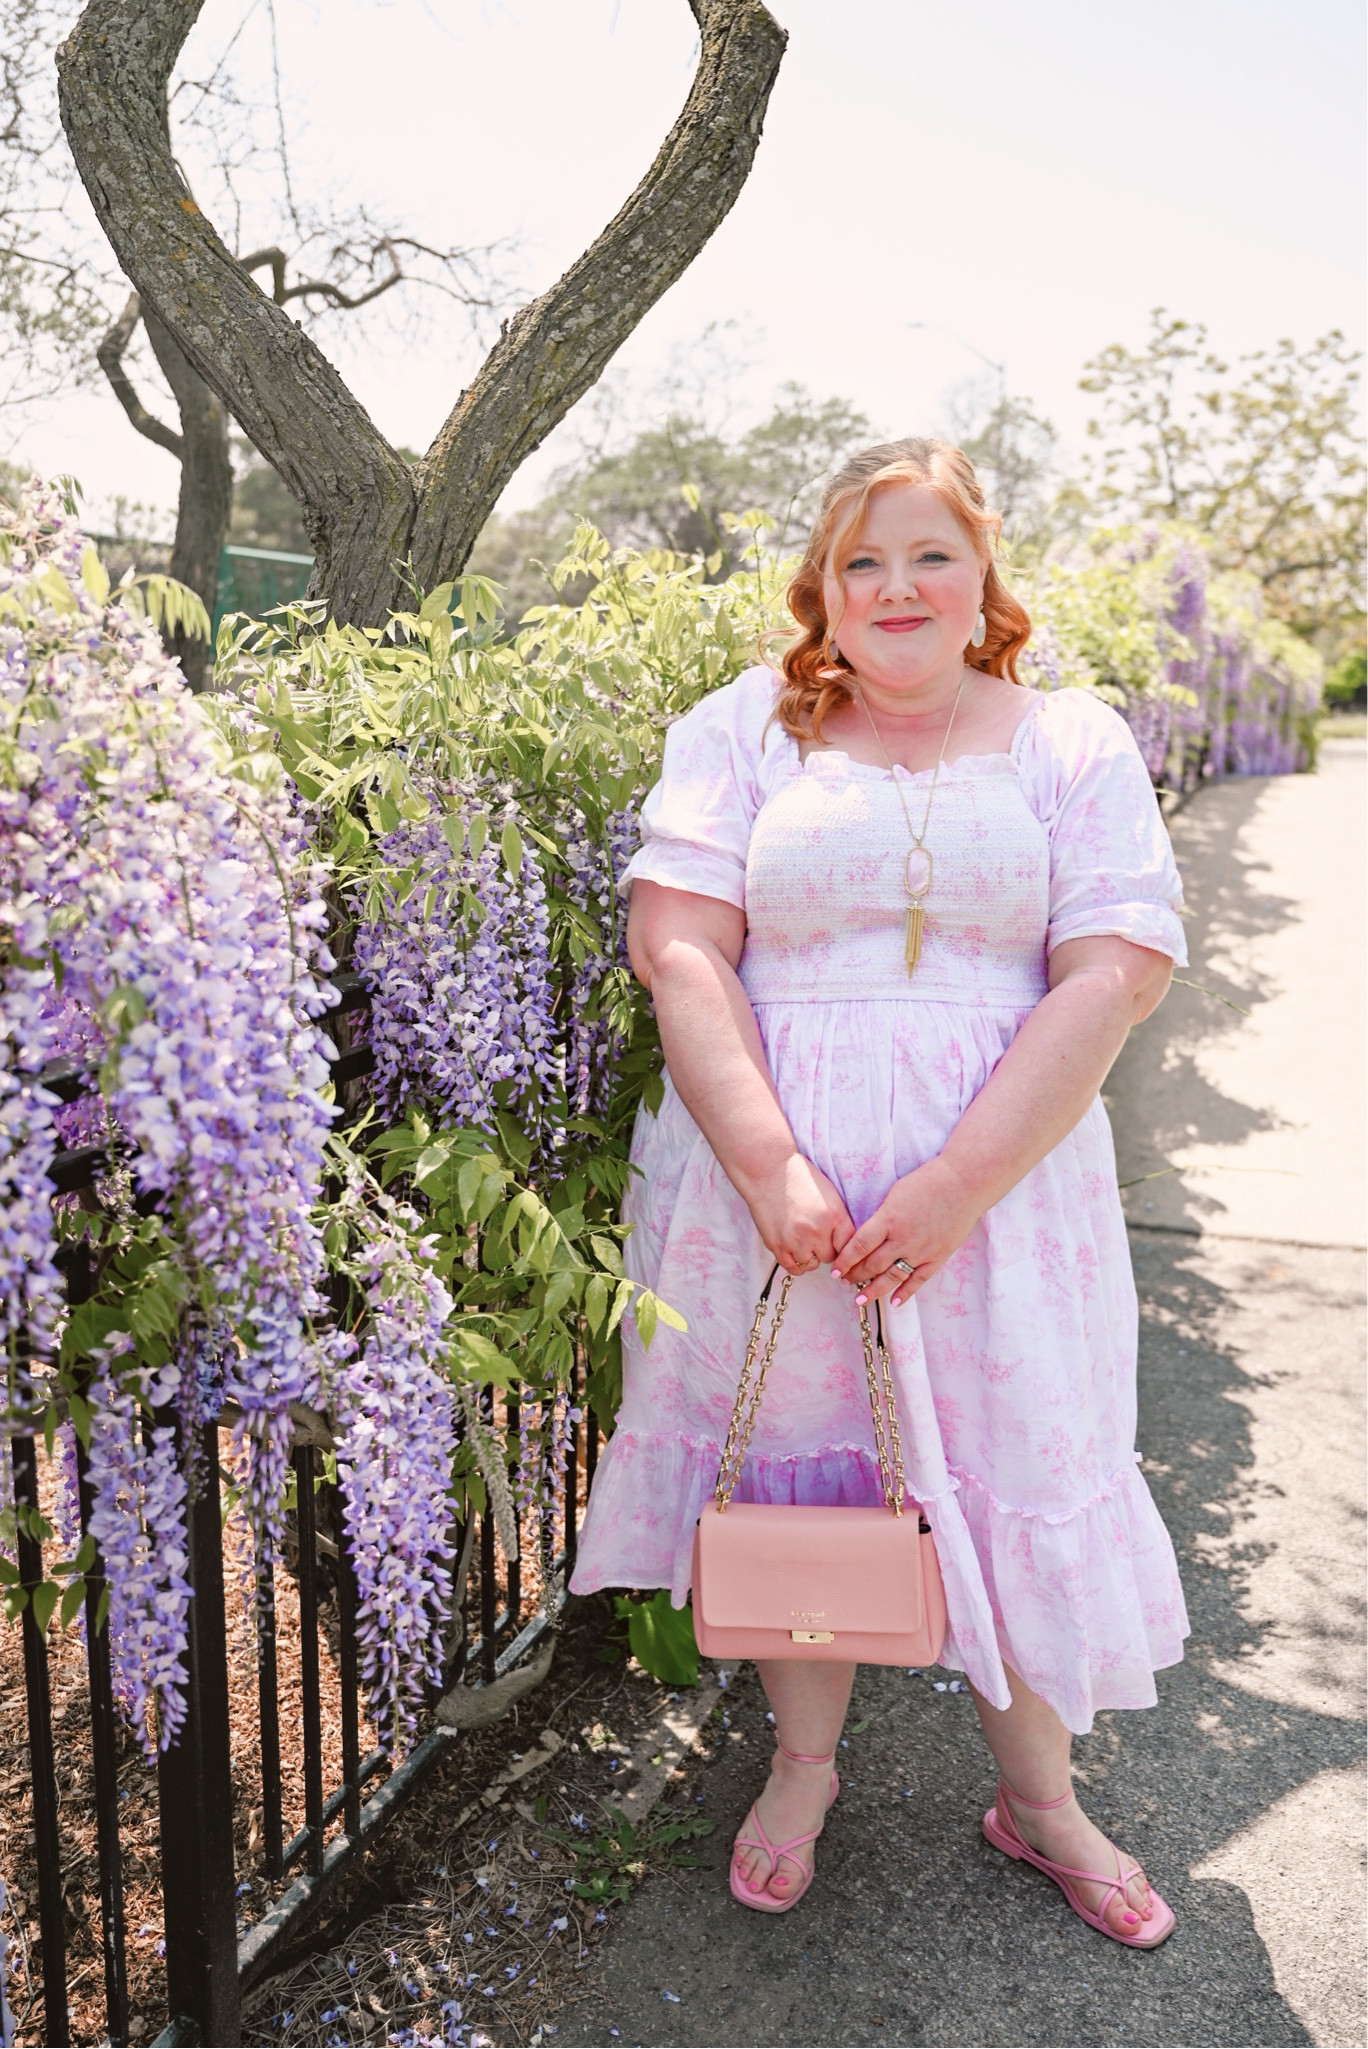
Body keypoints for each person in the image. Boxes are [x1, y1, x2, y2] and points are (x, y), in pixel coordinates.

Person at [569, 437, 1189, 1943]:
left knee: (1018, 1457)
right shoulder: (744, 730)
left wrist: (963, 1179)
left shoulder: (1070, 740)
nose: (896, 585)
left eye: (929, 553)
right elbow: (684, 948)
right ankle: (802, 1768)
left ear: (983, 577)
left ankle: (1039, 1801)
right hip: (776, 1201)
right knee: (807, 1471)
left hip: (1004, 1195)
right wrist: (771, 1159)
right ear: (821, 592)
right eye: (861, 560)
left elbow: (1116, 968)